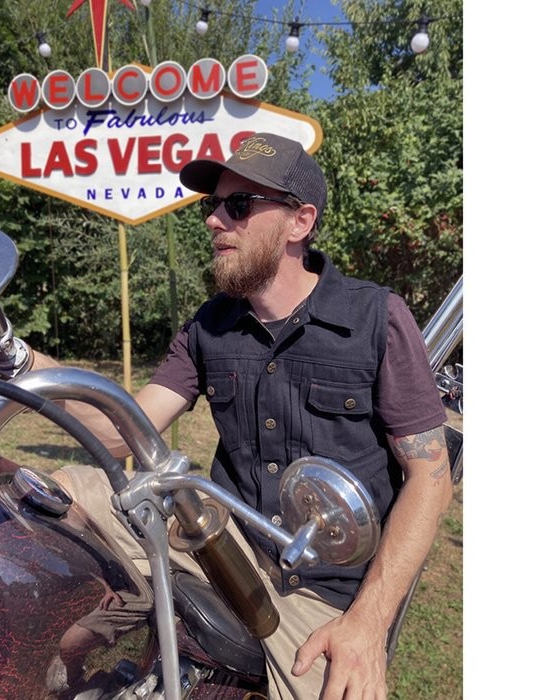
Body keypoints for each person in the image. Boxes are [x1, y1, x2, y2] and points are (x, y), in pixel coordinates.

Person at [34, 131, 453, 699]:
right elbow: (116, 433)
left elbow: (430, 479)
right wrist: (21, 360)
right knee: (52, 494)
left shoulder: (374, 318)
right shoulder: (210, 326)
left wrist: (367, 624)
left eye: (238, 205)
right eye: (213, 205)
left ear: (300, 222)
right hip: (214, 540)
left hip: (321, 595)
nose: (214, 221)